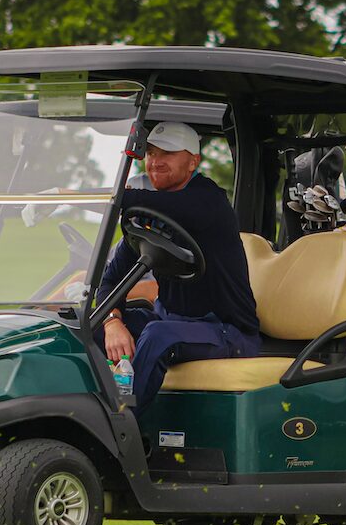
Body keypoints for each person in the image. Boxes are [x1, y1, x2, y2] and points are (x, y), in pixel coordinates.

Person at [95, 122, 260, 410]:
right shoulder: (149, 214)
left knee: (158, 335)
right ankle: (79, 411)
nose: (155, 162)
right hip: (169, 321)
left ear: (193, 161)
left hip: (226, 331)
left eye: (168, 154)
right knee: (89, 326)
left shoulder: (209, 200)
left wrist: (94, 195)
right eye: (151, 153)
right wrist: (112, 323)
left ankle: (119, 424)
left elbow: (154, 202)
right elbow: (110, 281)